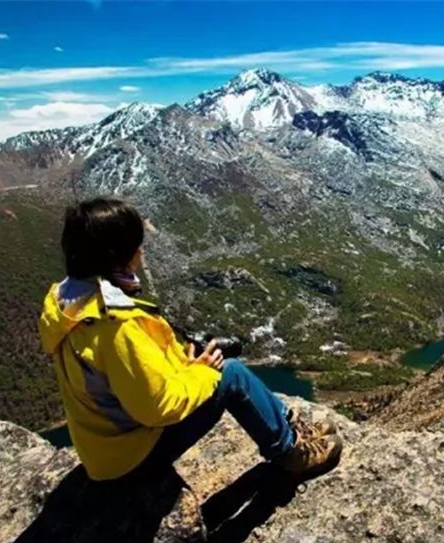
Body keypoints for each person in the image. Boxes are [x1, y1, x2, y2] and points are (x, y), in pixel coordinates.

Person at [38, 197, 342, 481]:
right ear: (119, 257)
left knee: (219, 368)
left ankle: (286, 424)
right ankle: (290, 452)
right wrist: (202, 372)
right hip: (131, 456)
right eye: (136, 245)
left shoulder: (69, 305)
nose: (141, 252)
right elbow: (158, 407)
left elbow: (128, 377)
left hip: (105, 451)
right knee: (232, 374)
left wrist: (184, 364)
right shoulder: (116, 326)